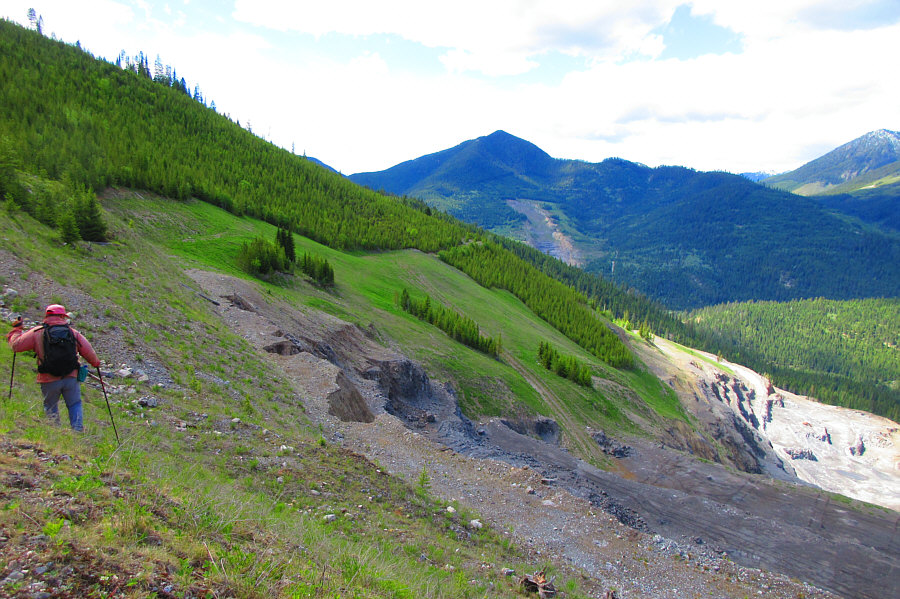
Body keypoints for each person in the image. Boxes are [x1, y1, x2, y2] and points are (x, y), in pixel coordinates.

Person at [7, 304, 101, 432]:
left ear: (47, 316)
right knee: (74, 404)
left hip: (48, 377)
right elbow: (89, 352)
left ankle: (55, 431)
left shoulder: (37, 332)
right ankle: (78, 431)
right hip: (70, 376)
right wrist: (96, 363)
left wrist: (16, 331)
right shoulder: (72, 333)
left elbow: (16, 346)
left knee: (50, 405)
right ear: (63, 316)